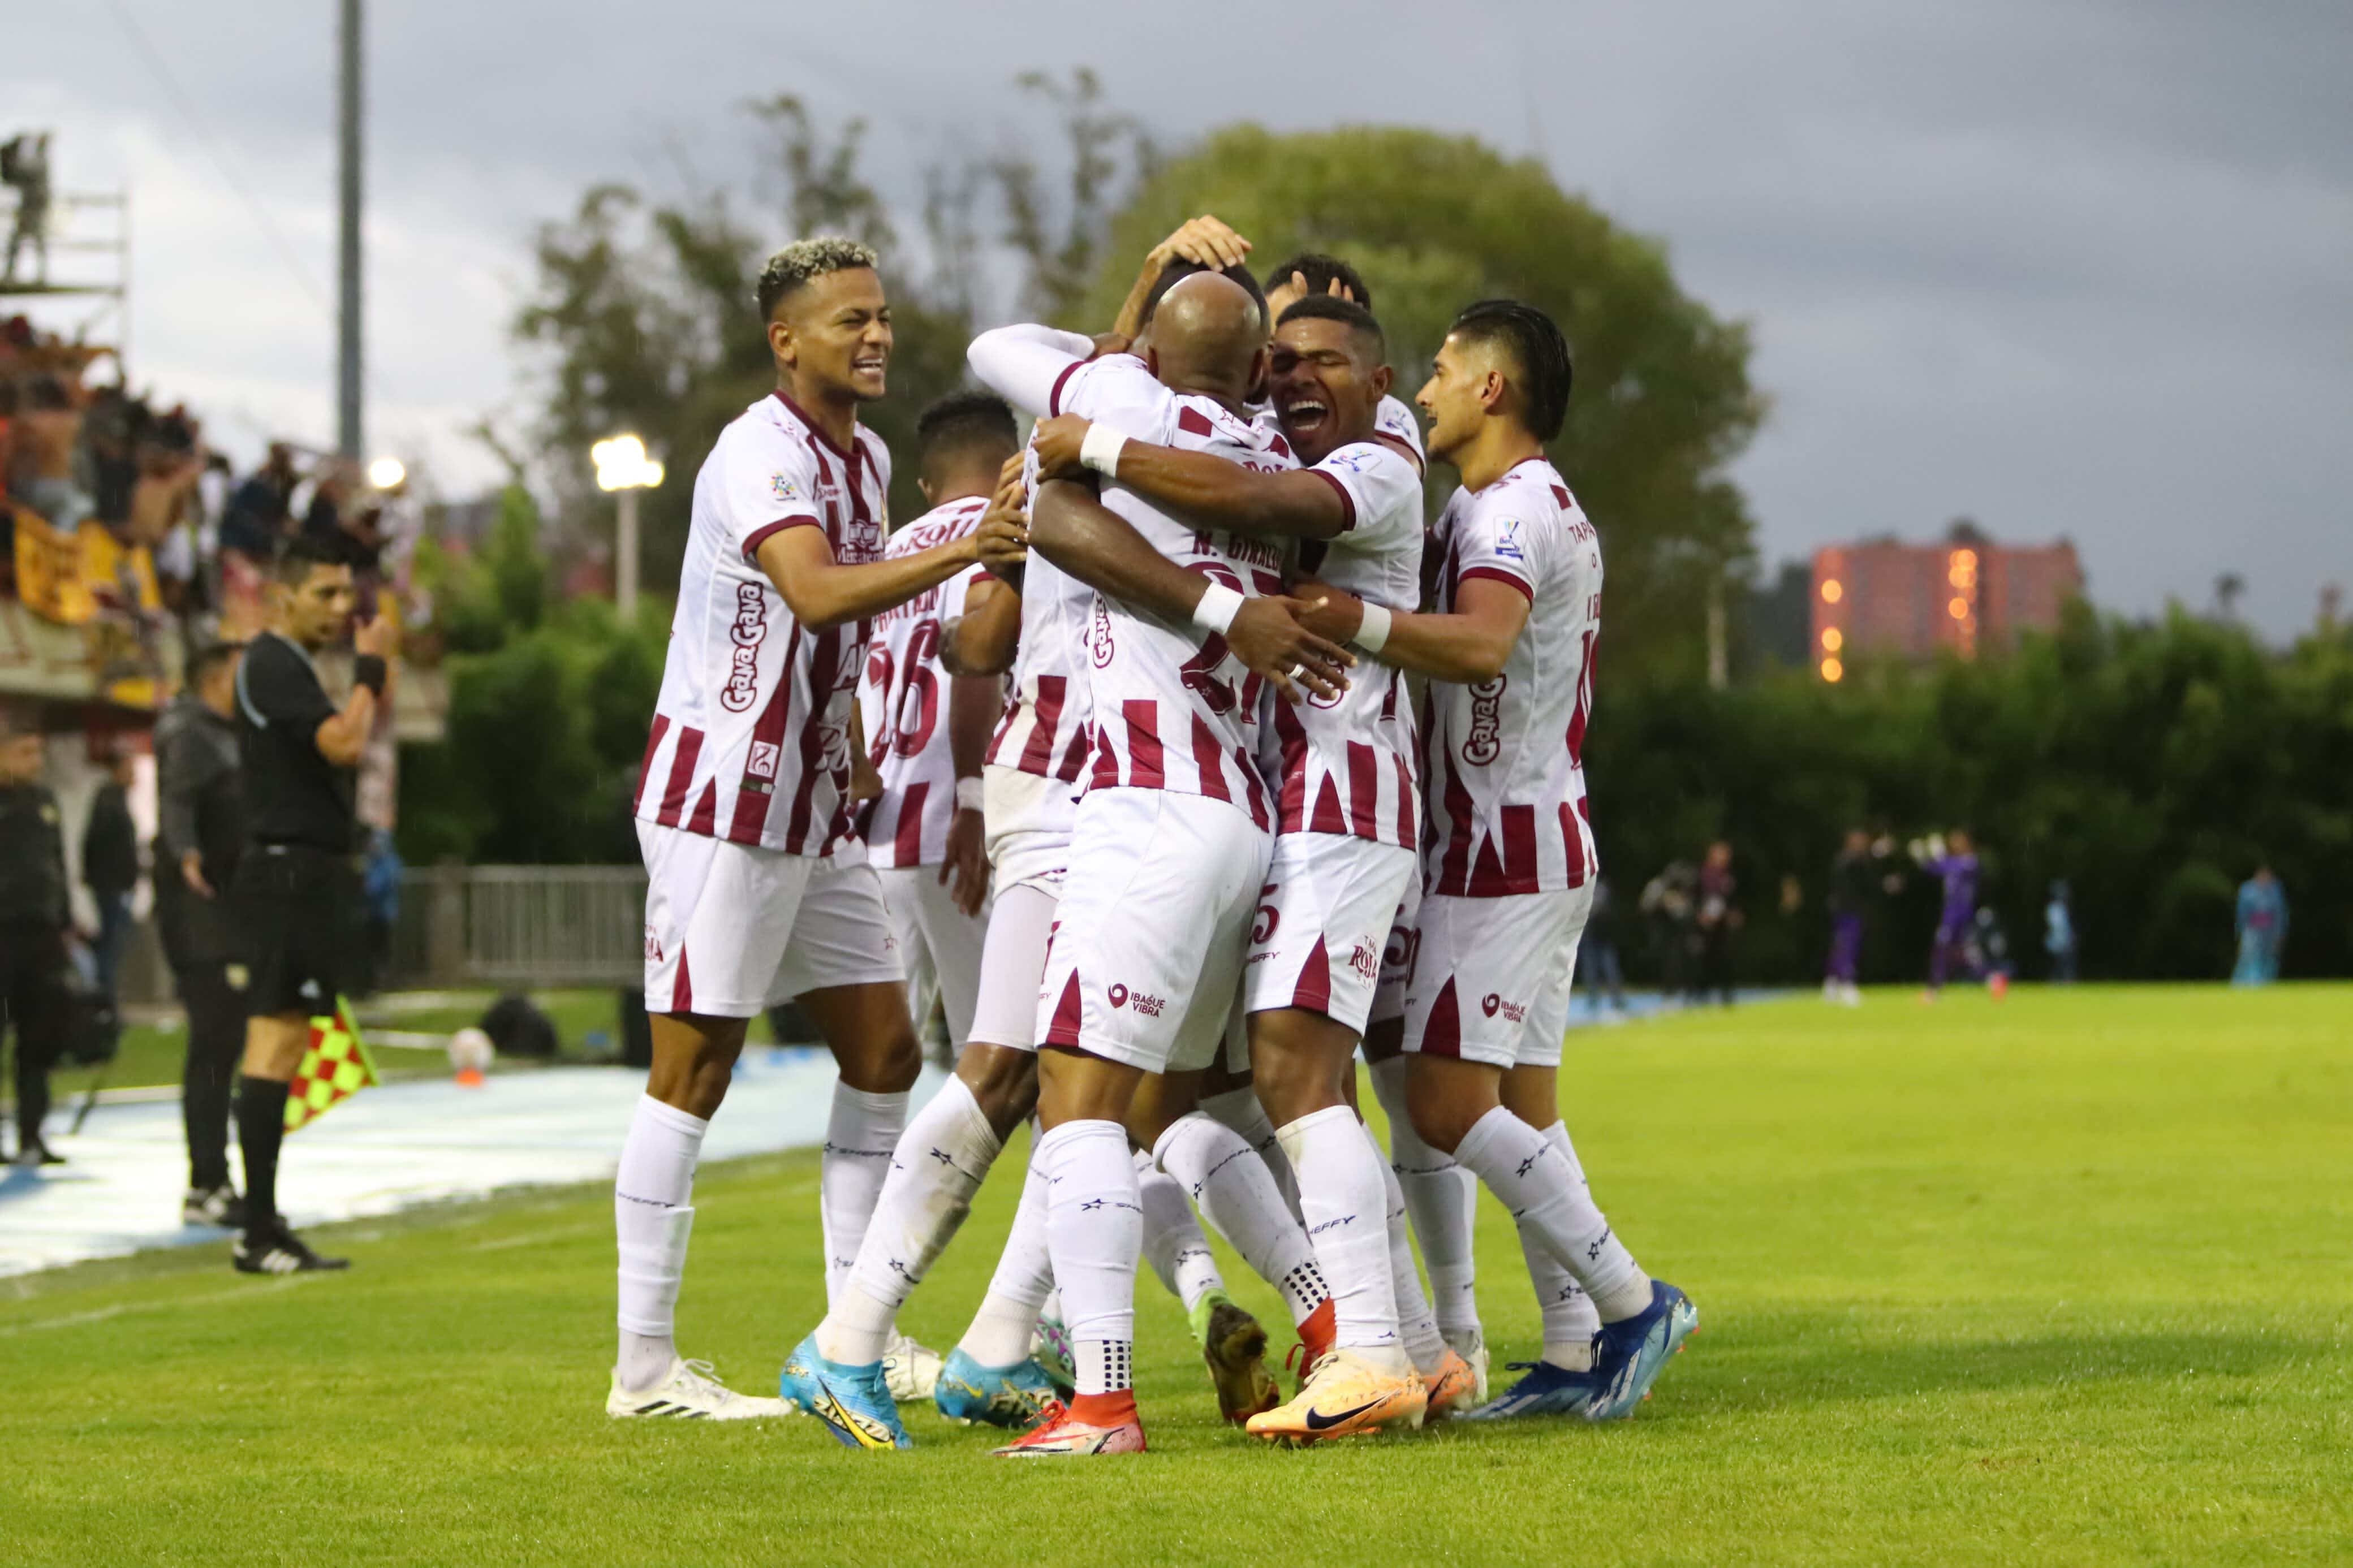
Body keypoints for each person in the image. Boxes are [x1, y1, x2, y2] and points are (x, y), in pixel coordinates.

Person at [1027, 291, 1456, 1439]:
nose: (1302, 378)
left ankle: (1112, 1398)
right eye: (1288, 360)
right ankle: (1380, 1341)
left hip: (1243, 804)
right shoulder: (1256, 449)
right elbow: (1253, 492)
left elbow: (1050, 482)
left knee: (1117, 1098)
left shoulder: (1350, 458)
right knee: (1216, 1097)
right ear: (1259, 367)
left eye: (1329, 360)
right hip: (1263, 808)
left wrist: (1106, 426)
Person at [1296, 299, 1697, 1422]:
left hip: (1505, 845)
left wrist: (1346, 619)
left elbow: (1479, 645)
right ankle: (1576, 1349)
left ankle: (1630, 1301)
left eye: (1435, 370)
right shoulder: (1506, 503)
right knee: (1522, 1102)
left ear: (1491, 389)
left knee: (1440, 1096)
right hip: (1523, 834)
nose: (1419, 391)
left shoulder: (1513, 510)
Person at [611, 237, 982, 1426]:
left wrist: (858, 730)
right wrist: (974, 542)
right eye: (846, 322)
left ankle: (847, 1335)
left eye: (879, 316)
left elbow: (839, 631)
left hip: (813, 803)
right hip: (724, 797)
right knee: (693, 1070)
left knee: (882, 1052)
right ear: (786, 341)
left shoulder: (865, 454)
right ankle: (644, 1373)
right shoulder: (757, 451)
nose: (873, 336)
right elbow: (816, 592)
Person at [229, 537, 389, 1272]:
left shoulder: (287, 666)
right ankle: (255, 1231)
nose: (341, 608)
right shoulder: (269, 661)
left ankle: (263, 1220)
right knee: (273, 1043)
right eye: (324, 593)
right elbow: (344, 744)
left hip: (308, 874)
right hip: (288, 874)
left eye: (345, 594)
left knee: (289, 1044)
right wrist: (371, 673)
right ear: (282, 596)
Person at [854, 392, 1012, 1074]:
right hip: (963, 828)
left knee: (880, 1067)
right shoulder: (1002, 535)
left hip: (881, 832)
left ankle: (869, 1188)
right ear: (1013, 462)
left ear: (925, 485)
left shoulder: (890, 555)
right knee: (1010, 1062)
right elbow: (976, 664)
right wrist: (972, 802)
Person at [155, 641, 250, 1224]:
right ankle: (205, 1183)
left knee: (228, 1044)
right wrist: (187, 852)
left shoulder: (229, 735)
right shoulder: (190, 734)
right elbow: (176, 802)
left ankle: (220, 1179)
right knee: (214, 1045)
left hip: (230, 913)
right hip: (202, 916)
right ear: (216, 679)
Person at [0, 712, 69, 1165]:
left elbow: (56, 865)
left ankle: (32, 1134)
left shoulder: (45, 801)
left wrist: (65, 918)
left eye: (38, 753)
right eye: (24, 753)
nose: (34, 762)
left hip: (41, 935)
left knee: (38, 1039)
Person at [81, 745, 140, 1007]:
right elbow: (98, 846)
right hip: (113, 889)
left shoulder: (116, 799)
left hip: (117, 887)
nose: (134, 775)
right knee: (109, 950)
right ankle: (104, 1005)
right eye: (129, 769)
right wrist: (114, 882)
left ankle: (106, 1003)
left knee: (112, 948)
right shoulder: (109, 801)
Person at [1916, 830, 1981, 996]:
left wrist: (1938, 854)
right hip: (1951, 912)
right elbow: (1933, 869)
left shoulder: (1970, 862)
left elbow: (1948, 867)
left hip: (1961, 914)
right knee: (1952, 950)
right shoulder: (1953, 862)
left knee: (1947, 948)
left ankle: (1935, 985)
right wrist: (1922, 857)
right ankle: (1937, 985)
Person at [1824, 828, 1874, 1005]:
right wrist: (1877, 852)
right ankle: (1846, 984)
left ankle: (1832, 984)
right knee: (1847, 946)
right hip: (1847, 909)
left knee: (1841, 946)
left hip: (1847, 909)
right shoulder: (1848, 860)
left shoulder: (1846, 860)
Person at [1694, 840, 1739, 1007]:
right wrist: (1700, 915)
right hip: (1706, 924)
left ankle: (1726, 994)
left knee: (1726, 959)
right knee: (1705, 959)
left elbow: (1732, 900)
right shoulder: (1703, 875)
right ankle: (1701, 995)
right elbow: (1696, 898)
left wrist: (1734, 914)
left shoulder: (1728, 877)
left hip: (1723, 924)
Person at [1578, 875, 1630, 1014]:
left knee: (1610, 969)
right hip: (1591, 937)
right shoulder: (1588, 888)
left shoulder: (1600, 887)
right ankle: (1595, 999)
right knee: (1593, 971)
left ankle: (1616, 999)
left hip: (1603, 937)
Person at [2233, 867, 2287, 985]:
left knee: (2269, 958)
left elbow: (2280, 913)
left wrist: (2279, 933)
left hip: (2269, 931)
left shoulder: (2275, 891)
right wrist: (2241, 930)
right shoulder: (2247, 890)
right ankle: (2243, 983)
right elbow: (2242, 912)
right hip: (2251, 930)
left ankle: (2266, 982)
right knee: (2248, 956)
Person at [2043, 880, 2077, 985]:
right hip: (2057, 944)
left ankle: (2066, 982)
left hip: (2064, 943)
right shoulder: (2054, 908)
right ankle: (2057, 983)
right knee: (2058, 966)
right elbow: (2058, 927)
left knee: (2065, 965)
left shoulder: (2062, 908)